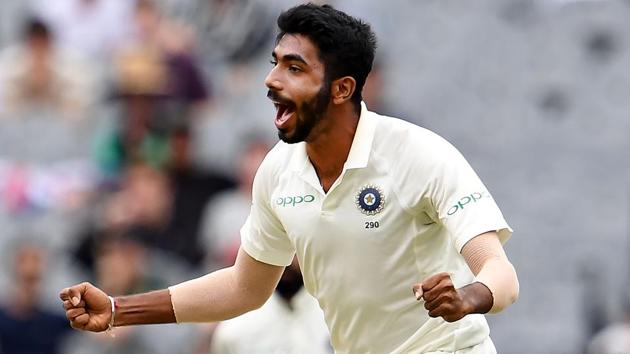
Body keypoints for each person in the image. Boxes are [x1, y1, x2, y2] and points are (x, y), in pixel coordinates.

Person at [60, 4, 519, 353]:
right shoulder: (279, 172)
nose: (271, 80)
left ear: (342, 89)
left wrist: (468, 296)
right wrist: (120, 309)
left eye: (294, 68)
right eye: (275, 62)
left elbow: (501, 274)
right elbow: (244, 287)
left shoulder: (420, 154)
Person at [210, 258, 331, 354]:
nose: (285, 261)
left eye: (293, 249)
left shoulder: (338, 312)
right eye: (275, 249)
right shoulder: (234, 330)